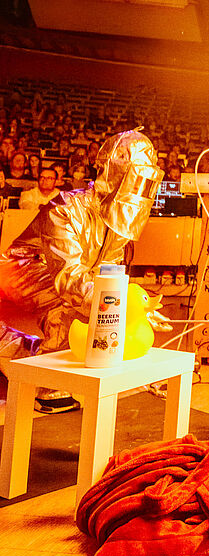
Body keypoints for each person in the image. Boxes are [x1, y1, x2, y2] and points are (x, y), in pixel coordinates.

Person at [0, 131, 165, 410]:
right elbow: (69, 277)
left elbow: (107, 275)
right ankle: (43, 380)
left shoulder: (117, 221)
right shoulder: (66, 208)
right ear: (115, 171)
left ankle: (47, 367)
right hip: (24, 268)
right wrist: (118, 306)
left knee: (99, 310)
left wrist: (133, 305)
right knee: (74, 311)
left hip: (65, 275)